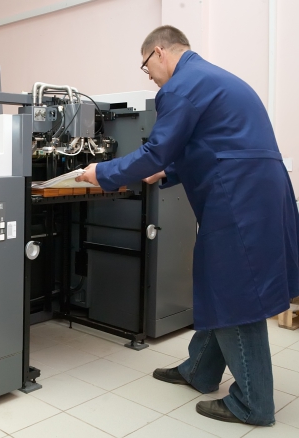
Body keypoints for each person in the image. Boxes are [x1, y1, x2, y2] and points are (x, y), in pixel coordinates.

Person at [76, 25, 299, 426]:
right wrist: (166, 172)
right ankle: (199, 370)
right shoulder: (212, 77)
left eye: (146, 67)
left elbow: (156, 149)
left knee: (234, 291)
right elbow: (213, 143)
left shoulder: (180, 86)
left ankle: (253, 403)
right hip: (260, 189)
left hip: (238, 196)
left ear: (159, 53)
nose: (149, 77)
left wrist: (102, 172)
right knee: (222, 282)